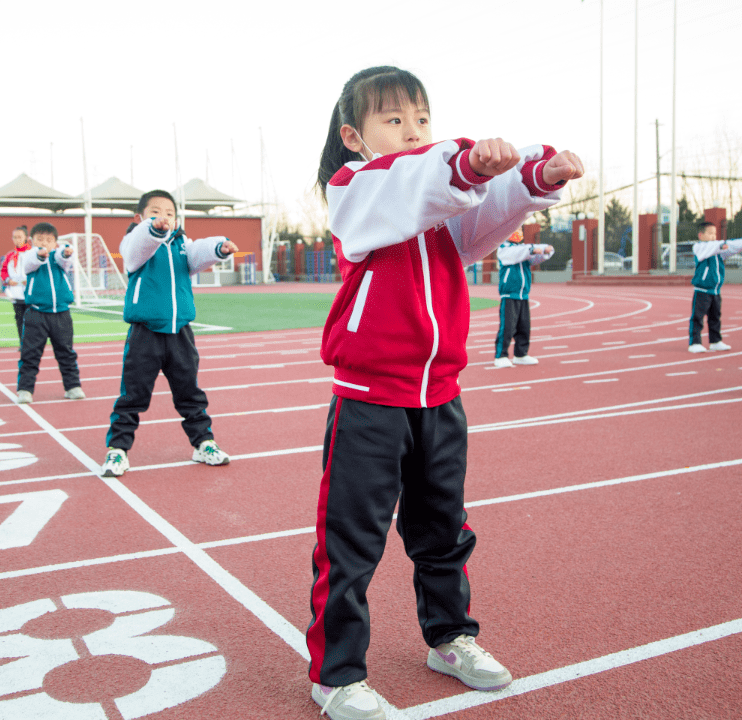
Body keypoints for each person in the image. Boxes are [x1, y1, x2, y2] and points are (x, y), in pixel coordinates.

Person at [308, 65, 582, 720]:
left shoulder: (434, 203)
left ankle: (450, 637)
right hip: (370, 398)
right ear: (355, 136)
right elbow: (421, 181)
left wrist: (534, 178)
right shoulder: (356, 190)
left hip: (440, 396)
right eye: (393, 120)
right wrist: (459, 161)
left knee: (443, 530)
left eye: (421, 119)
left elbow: (482, 217)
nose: (412, 132)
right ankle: (336, 674)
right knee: (351, 541)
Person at [100, 190, 238, 476]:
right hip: (145, 333)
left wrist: (220, 247)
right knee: (133, 396)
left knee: (190, 393)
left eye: (169, 214)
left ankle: (203, 444)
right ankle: (117, 450)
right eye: (155, 212)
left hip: (180, 334)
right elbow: (138, 246)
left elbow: (198, 253)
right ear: (139, 218)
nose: (163, 218)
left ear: (177, 220)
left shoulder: (181, 245)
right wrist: (152, 230)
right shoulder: (134, 243)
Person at [15, 222, 84, 404]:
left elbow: (65, 259)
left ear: (55, 243)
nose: (44, 243)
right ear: (32, 241)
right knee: (30, 353)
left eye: (49, 240)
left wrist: (65, 252)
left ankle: (73, 386)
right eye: (40, 240)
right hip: (36, 314)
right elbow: (30, 262)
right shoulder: (29, 256)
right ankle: (25, 389)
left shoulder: (58, 257)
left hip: (62, 314)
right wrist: (39, 254)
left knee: (66, 352)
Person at [687, 221, 742, 353]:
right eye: (710, 233)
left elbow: (731, 247)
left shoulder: (718, 250)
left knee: (715, 317)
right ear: (701, 235)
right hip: (702, 290)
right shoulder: (699, 247)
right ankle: (694, 342)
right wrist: (721, 245)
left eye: (714, 233)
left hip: (715, 291)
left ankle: (715, 341)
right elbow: (716, 246)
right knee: (698, 317)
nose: (713, 236)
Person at [493, 229, 553, 367]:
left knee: (524, 326)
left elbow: (537, 255)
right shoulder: (503, 248)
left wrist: (547, 251)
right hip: (509, 294)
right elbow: (519, 253)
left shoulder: (523, 248)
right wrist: (533, 249)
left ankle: (521, 354)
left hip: (523, 294)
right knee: (507, 327)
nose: (518, 233)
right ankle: (500, 355)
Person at [0, 225, 30, 342]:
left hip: (30, 293)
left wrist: (30, 280)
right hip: (16, 294)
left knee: (32, 321)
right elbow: (3, 272)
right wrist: (8, 280)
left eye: (19, 237)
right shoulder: (9, 256)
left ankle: (31, 344)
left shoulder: (32, 253)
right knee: (19, 319)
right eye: (15, 237)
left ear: (26, 238)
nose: (17, 239)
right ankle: (22, 343)